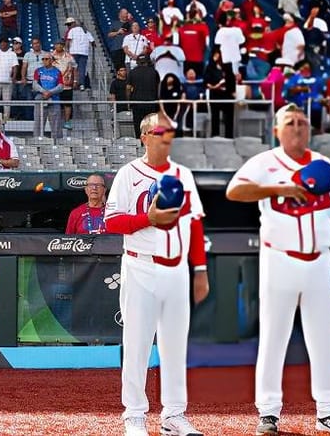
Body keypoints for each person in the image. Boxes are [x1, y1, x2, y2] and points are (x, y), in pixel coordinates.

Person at [228, 105, 330, 435]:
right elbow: (234, 191)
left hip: (318, 260)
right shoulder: (265, 163)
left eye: (302, 122)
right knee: (273, 337)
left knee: (325, 339)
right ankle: (268, 413)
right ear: (276, 130)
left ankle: (329, 411)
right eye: (290, 122)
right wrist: (278, 189)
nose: (297, 127)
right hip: (279, 258)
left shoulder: (323, 164)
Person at [105, 112, 207, 436]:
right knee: (136, 344)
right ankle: (134, 415)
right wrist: (147, 218)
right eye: (158, 131)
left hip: (177, 268)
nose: (165, 136)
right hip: (141, 264)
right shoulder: (128, 173)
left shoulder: (184, 174)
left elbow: (195, 223)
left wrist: (200, 268)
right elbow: (111, 221)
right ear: (144, 136)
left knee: (176, 346)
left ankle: (174, 415)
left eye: (169, 132)